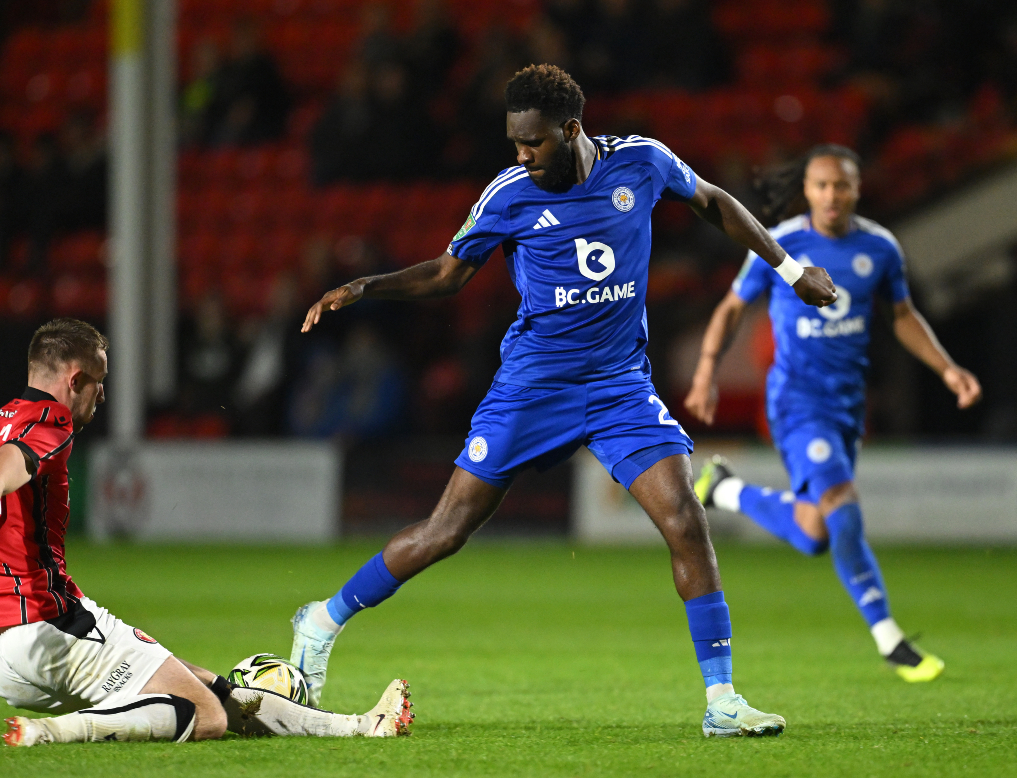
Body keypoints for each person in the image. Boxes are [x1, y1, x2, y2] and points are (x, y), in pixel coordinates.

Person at [290, 64, 838, 738]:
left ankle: (722, 701)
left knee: (685, 520)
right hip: (532, 387)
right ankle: (321, 620)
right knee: (445, 533)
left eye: (533, 144)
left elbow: (715, 200)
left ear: (571, 130)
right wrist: (366, 287)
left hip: (618, 387)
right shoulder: (509, 195)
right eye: (514, 143)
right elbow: (446, 274)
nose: (521, 156)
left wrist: (788, 268)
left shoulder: (641, 162)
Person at [0, 318, 414, 745]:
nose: (101, 398)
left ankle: (359, 726)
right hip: (45, 626)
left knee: (207, 685)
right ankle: (57, 733)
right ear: (74, 379)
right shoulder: (45, 422)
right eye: (99, 383)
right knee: (204, 715)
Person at [685, 145, 981, 683]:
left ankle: (724, 490)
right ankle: (890, 639)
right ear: (808, 191)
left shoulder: (881, 248)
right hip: (796, 402)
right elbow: (733, 307)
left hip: (847, 406)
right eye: (822, 186)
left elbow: (903, 314)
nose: (831, 196)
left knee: (814, 530)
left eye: (841, 186)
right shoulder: (780, 244)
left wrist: (947, 369)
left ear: (856, 190)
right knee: (842, 504)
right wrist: (706, 370)